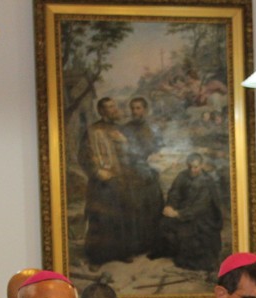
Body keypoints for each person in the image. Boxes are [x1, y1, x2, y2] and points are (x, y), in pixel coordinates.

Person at [80, 97, 134, 266]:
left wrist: (125, 143)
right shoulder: (93, 131)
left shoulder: (120, 129)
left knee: (120, 216)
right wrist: (97, 171)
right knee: (100, 218)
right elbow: (83, 156)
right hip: (101, 183)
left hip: (120, 180)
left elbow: (130, 155)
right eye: (109, 107)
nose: (114, 109)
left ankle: (120, 252)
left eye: (114, 106)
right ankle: (97, 258)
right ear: (101, 111)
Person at [121, 96, 166, 258]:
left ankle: (154, 244)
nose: (135, 111)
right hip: (133, 175)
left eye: (138, 108)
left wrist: (156, 156)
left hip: (151, 173)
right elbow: (123, 152)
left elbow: (160, 148)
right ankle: (136, 246)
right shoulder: (125, 129)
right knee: (135, 209)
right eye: (133, 108)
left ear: (145, 110)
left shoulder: (153, 128)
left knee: (153, 207)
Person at [163, 152, 223, 272]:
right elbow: (174, 192)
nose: (192, 170)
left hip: (204, 217)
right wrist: (170, 206)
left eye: (195, 167)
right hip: (185, 211)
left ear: (201, 165)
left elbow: (200, 206)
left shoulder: (207, 181)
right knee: (165, 225)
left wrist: (178, 214)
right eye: (190, 167)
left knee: (193, 233)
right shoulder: (182, 175)